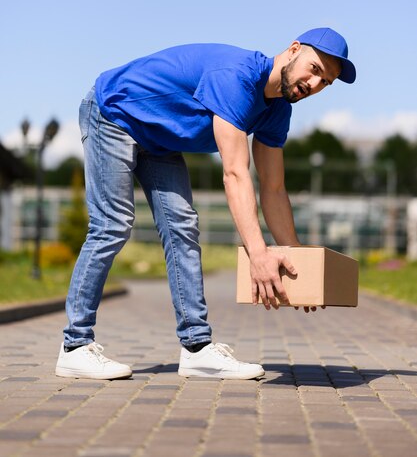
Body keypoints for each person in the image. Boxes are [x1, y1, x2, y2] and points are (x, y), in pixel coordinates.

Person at [55, 27, 356, 381]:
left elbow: (273, 188)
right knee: (113, 223)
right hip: (115, 112)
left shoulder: (277, 110)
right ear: (292, 50)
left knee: (182, 227)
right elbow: (235, 174)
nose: (315, 83)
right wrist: (258, 254)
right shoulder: (237, 78)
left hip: (159, 140)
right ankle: (74, 347)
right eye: (315, 68)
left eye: (326, 82)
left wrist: (298, 263)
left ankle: (197, 349)